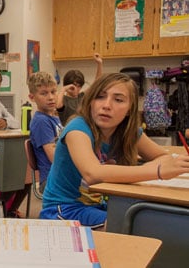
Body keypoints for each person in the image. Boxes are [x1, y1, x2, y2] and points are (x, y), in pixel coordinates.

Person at [40, 73, 189, 228]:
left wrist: (155, 167)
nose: (106, 105)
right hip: (64, 209)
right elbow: (93, 173)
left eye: (118, 100)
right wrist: (157, 171)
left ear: (130, 110)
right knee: (136, 226)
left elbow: (162, 157)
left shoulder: (128, 132)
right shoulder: (78, 128)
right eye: (100, 97)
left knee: (154, 219)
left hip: (103, 204)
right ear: (90, 102)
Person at [28, 72, 64, 194]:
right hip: (52, 180)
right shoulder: (41, 121)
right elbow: (55, 157)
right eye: (44, 93)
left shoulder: (55, 118)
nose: (50, 97)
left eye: (53, 92)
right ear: (32, 97)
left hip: (60, 176)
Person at [57, 52, 103, 125]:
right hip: (69, 131)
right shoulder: (64, 99)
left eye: (79, 86)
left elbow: (97, 83)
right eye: (74, 86)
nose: (77, 89)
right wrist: (64, 89)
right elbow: (58, 105)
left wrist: (99, 64)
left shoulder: (82, 96)